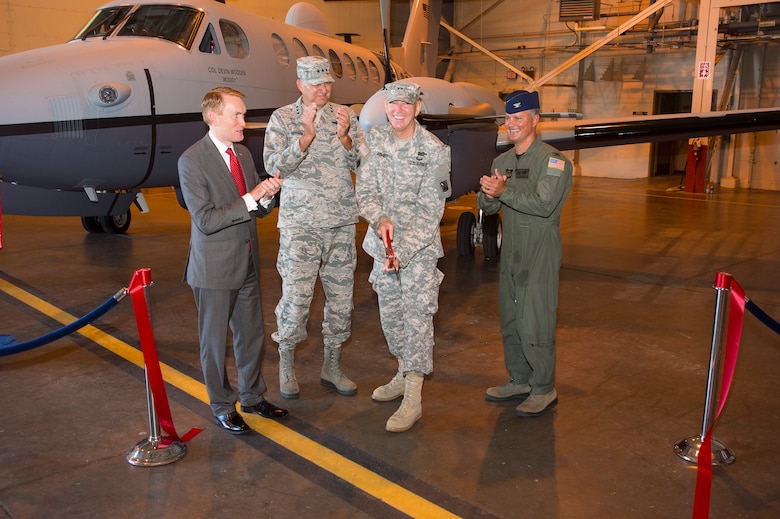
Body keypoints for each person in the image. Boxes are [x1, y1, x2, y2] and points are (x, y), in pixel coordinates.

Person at [178, 86, 288, 435]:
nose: (244, 120)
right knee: (213, 343)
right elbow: (207, 220)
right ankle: (222, 405)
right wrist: (251, 196)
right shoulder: (192, 161)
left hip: (248, 262)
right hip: (213, 269)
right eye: (237, 114)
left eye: (243, 113)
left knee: (251, 336)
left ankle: (253, 397)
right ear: (214, 117)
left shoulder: (241, 154)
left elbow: (255, 206)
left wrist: (268, 195)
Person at [263, 56, 364, 399]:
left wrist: (347, 137)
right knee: (297, 297)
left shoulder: (345, 115)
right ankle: (286, 363)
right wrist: (304, 139)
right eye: (316, 84)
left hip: (340, 222)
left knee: (340, 300)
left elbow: (364, 163)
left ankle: (331, 365)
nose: (323, 89)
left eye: (328, 83)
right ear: (300, 85)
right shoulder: (283, 118)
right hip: (301, 226)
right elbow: (274, 167)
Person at [355, 81, 451, 432]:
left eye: (405, 105)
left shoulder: (434, 150)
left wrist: (403, 251)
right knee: (391, 319)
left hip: (419, 253)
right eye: (392, 103)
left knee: (417, 321)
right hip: (382, 247)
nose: (398, 110)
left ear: (417, 108)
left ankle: (414, 396)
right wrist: (379, 219)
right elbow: (364, 190)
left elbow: (431, 211)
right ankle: (401, 372)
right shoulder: (376, 140)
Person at [478, 89, 572, 417]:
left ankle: (543, 387)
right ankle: (519, 378)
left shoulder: (554, 160)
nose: (512, 124)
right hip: (512, 249)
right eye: (508, 118)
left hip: (540, 250)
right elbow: (489, 206)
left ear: (536, 120)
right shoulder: (501, 161)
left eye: (519, 118)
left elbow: (545, 205)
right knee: (511, 319)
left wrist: (505, 191)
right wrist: (489, 194)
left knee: (536, 321)